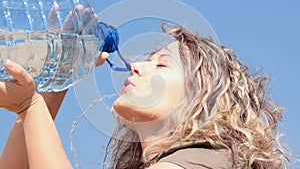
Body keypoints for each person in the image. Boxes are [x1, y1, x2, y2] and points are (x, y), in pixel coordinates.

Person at [0, 22, 290, 168]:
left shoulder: (205, 161)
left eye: (161, 64)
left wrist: (29, 105)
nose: (136, 66)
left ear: (202, 99)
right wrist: (57, 80)